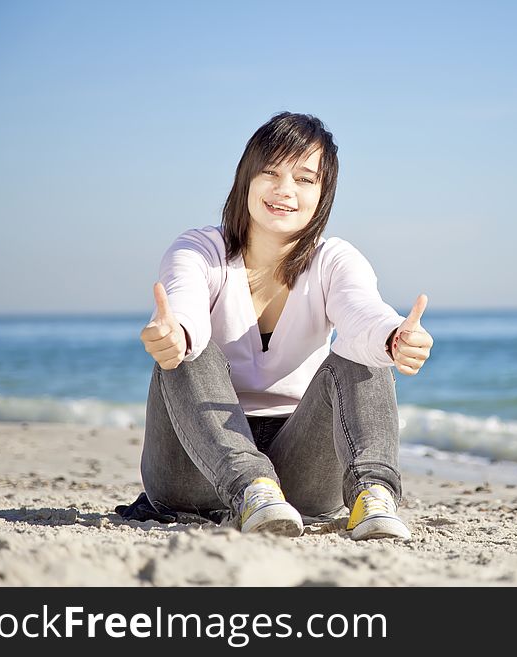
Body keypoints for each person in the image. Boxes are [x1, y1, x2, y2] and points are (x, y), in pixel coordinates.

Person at [135, 111, 433, 540]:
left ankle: (373, 497)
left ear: (323, 192)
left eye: (305, 179)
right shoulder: (201, 250)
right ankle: (253, 489)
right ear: (246, 179)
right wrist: (173, 333)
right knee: (189, 350)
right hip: (193, 466)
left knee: (363, 352)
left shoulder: (334, 260)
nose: (284, 190)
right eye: (270, 172)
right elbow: (184, 307)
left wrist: (394, 337)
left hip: (300, 471)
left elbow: (363, 312)